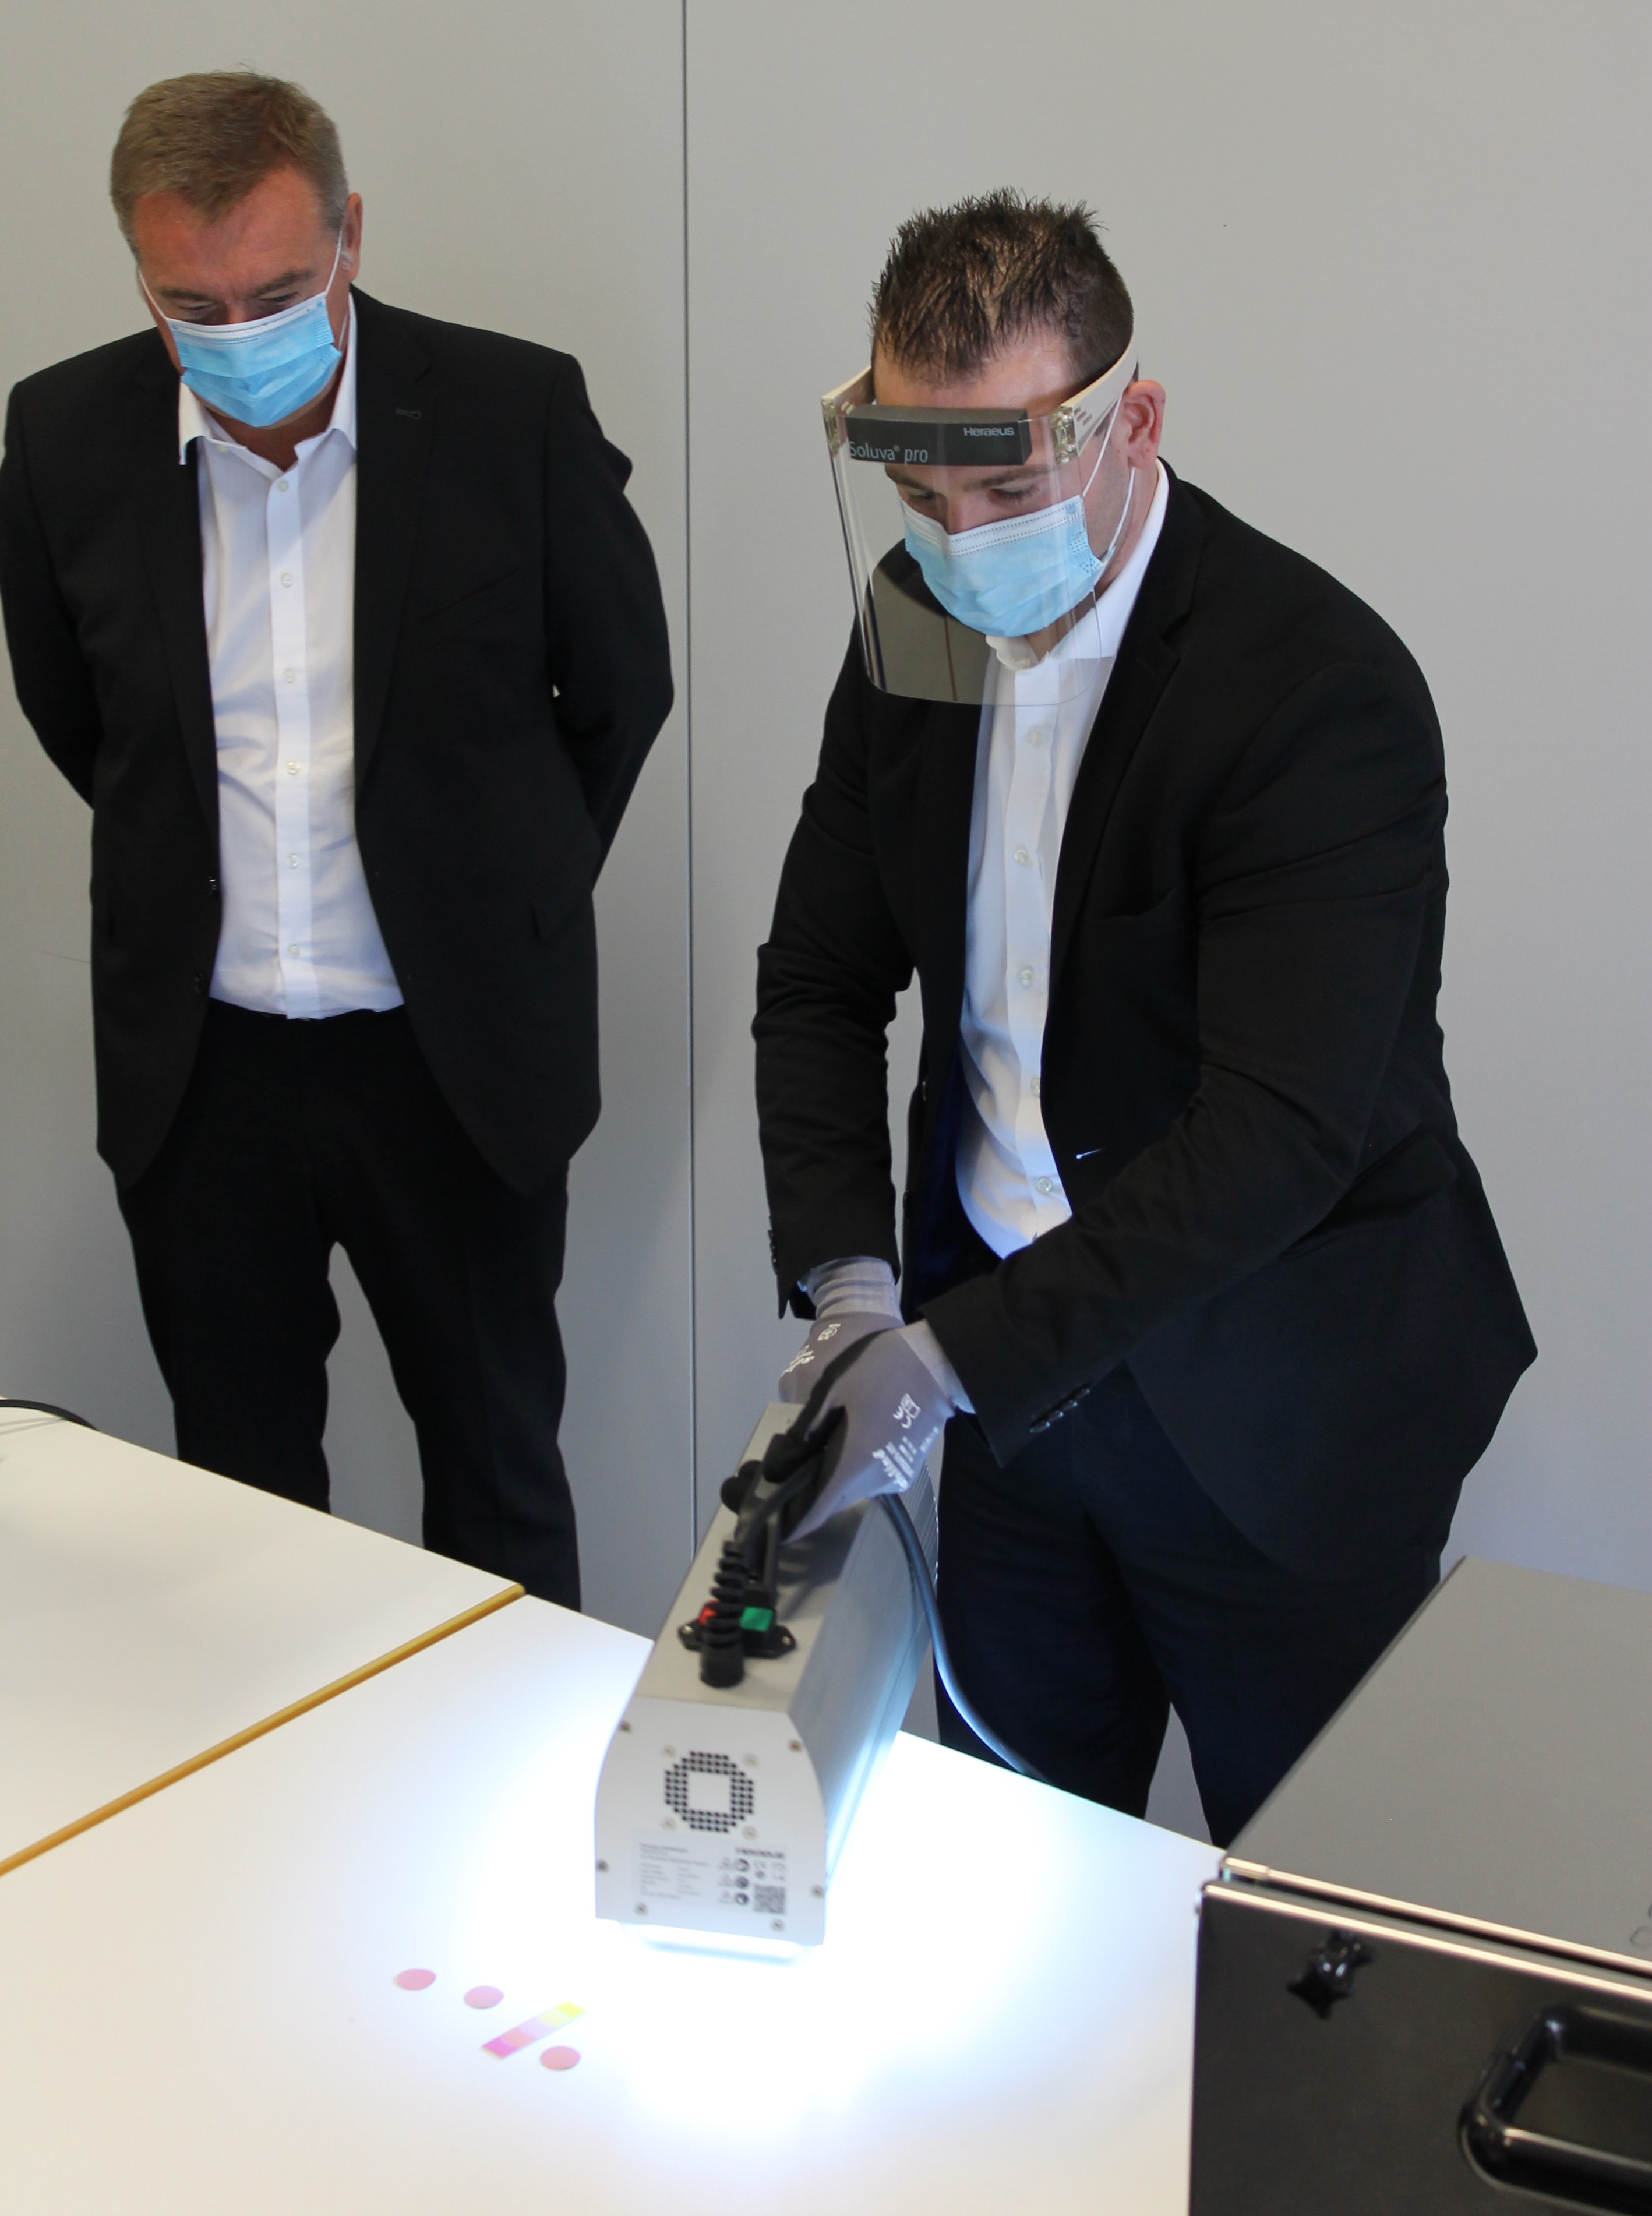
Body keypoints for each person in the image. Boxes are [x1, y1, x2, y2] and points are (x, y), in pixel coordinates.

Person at [754, 192, 1534, 1844]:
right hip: (1015, 1408)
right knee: (1016, 1857)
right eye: (920, 494)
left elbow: (1277, 1137)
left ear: (1133, 421)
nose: (962, 543)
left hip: (1279, 1410)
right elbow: (819, 976)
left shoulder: (1308, 687)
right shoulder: (922, 625)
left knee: (1310, 1906)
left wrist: (941, 1363)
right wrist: (849, 1290)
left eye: (1006, 488)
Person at [0, 72, 672, 1608]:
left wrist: (496, 901)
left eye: (278, 292)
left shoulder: (512, 412)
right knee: (239, 1506)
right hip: (204, 1072)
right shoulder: (62, 435)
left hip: (454, 1061)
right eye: (192, 304)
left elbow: (617, 691)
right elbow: (80, 716)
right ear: (138, 271)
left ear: (349, 234)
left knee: (499, 1483)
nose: (240, 335)